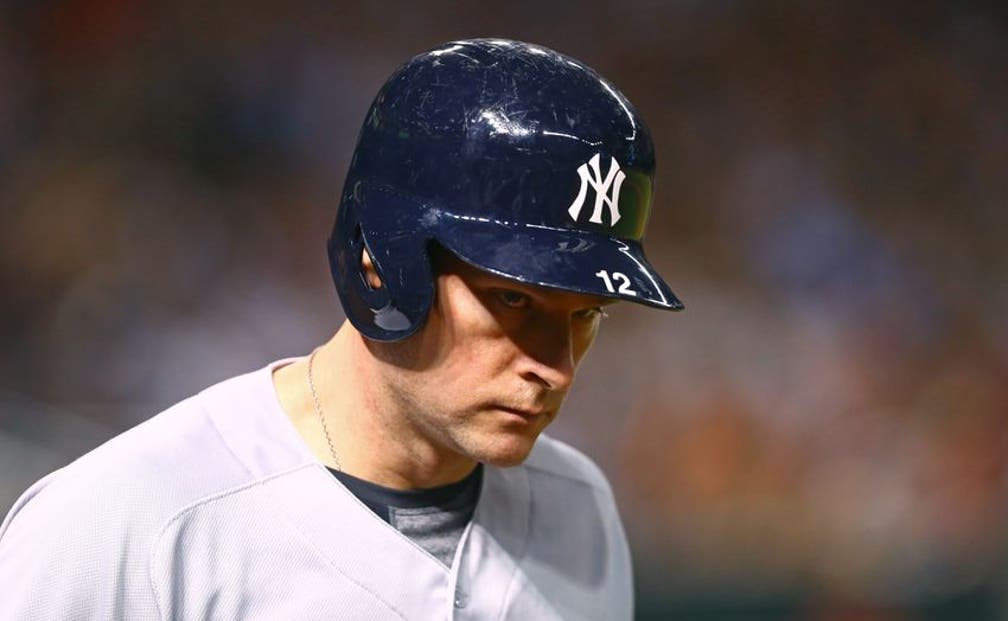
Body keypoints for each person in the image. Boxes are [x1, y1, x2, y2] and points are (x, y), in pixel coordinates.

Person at [0, 38, 683, 620]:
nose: (556, 366)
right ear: (380, 263)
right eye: (511, 299)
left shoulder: (581, 513)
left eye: (586, 314)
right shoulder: (125, 524)